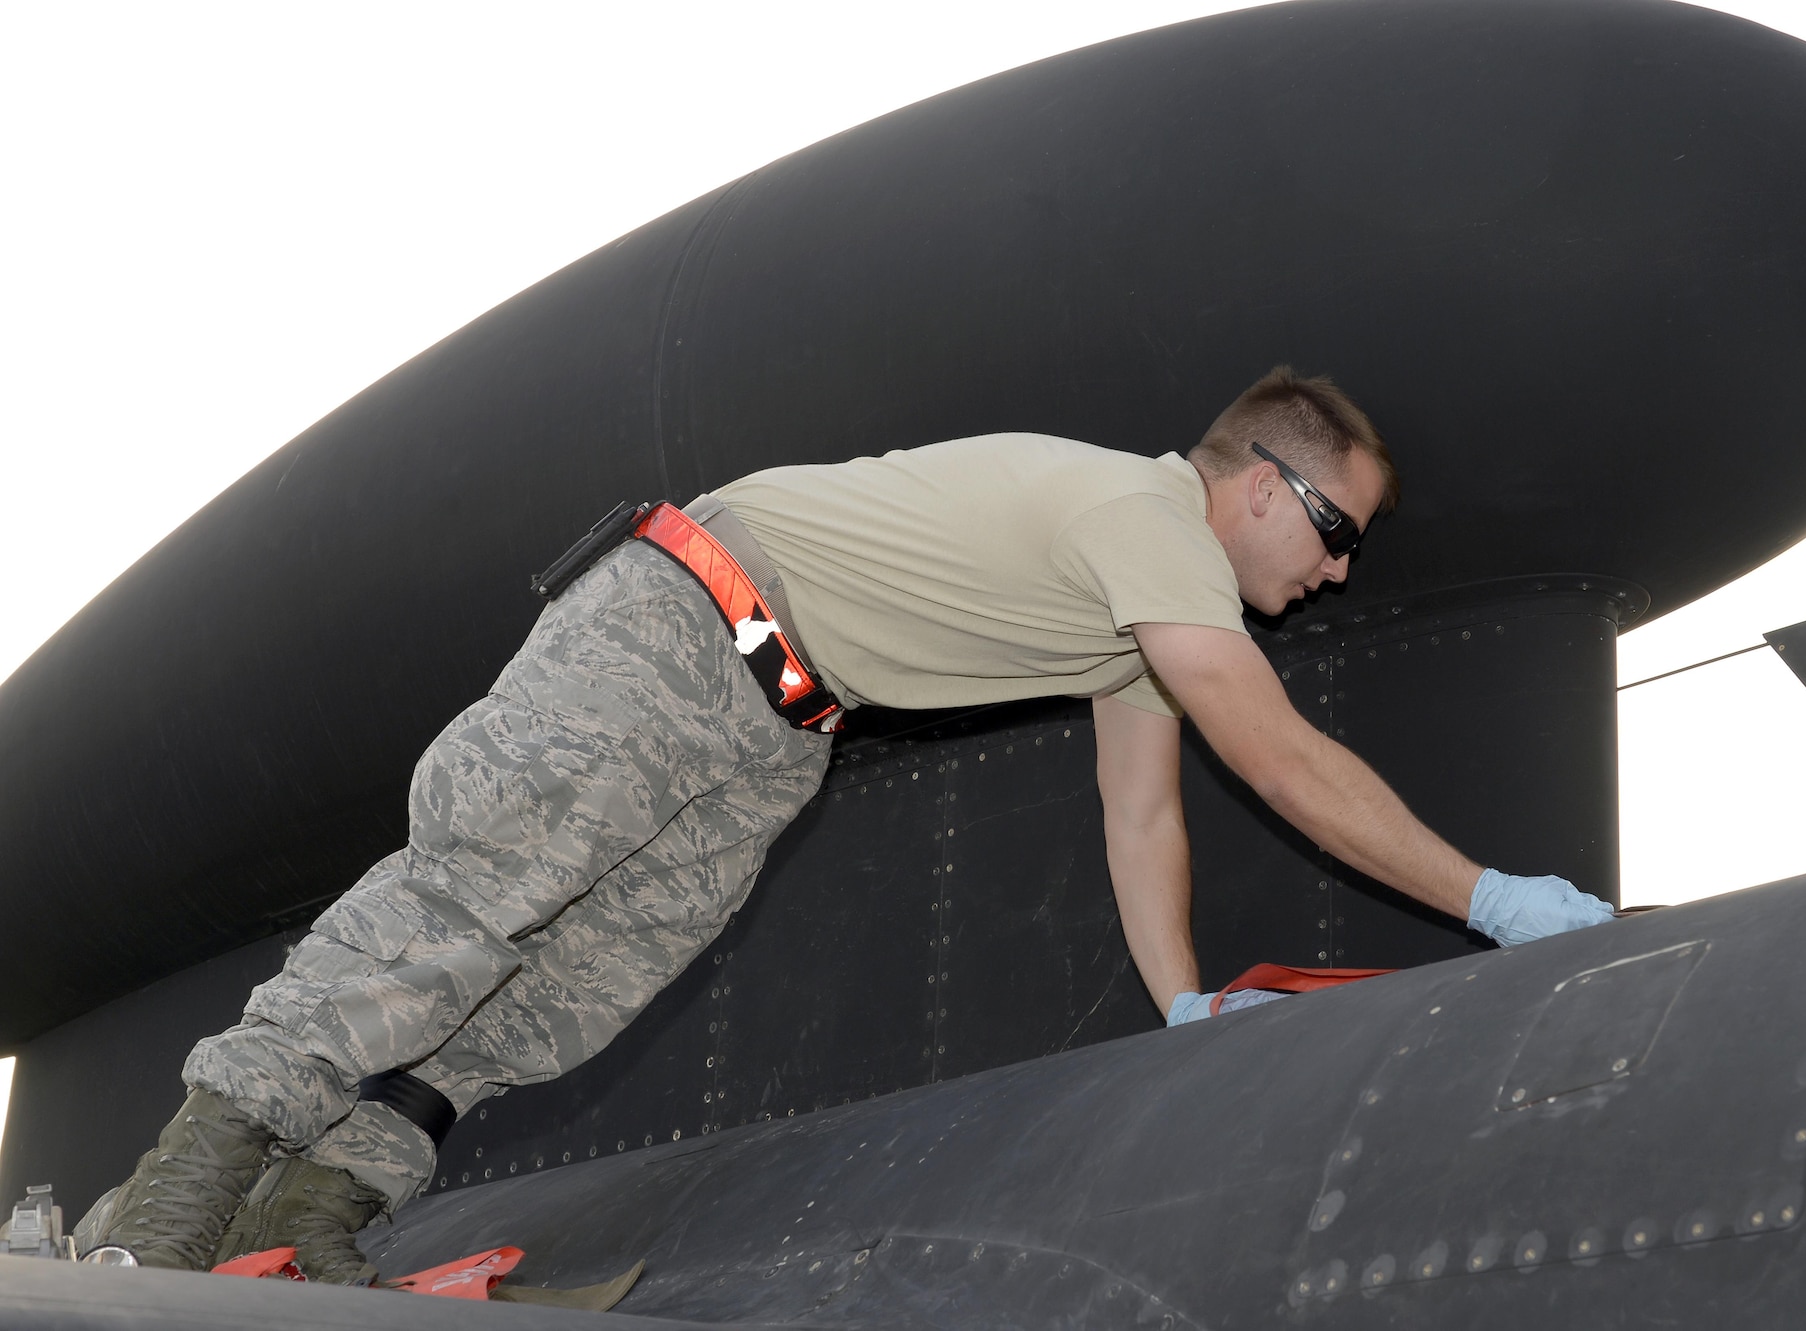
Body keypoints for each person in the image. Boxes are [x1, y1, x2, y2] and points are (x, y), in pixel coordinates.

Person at [80, 366, 1611, 1281]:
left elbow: (1145, 815)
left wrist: (1186, 1009)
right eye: (1335, 531)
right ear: (1262, 488)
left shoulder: (1143, 618)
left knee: (555, 996)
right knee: (467, 906)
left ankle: (313, 1212)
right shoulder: (1139, 522)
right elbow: (1273, 756)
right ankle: (177, 1199)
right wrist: (1491, 901)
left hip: (774, 723)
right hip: (682, 623)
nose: (1338, 572)